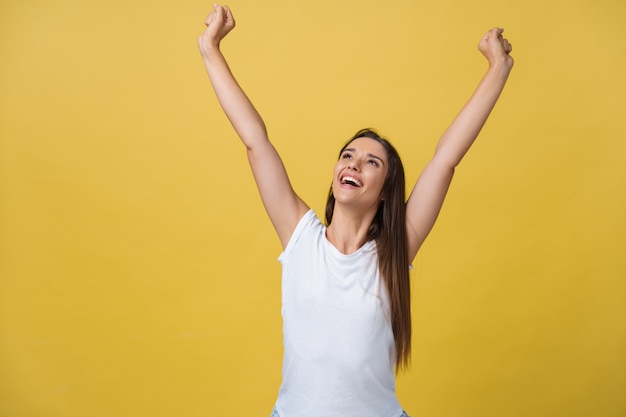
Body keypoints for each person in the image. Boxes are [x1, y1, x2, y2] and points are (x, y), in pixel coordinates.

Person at [198, 4, 513, 417]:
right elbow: (256, 140)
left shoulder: (393, 250)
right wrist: (210, 48)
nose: (353, 164)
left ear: (385, 192)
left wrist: (498, 68)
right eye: (348, 155)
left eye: (371, 162)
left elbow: (446, 158)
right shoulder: (299, 237)